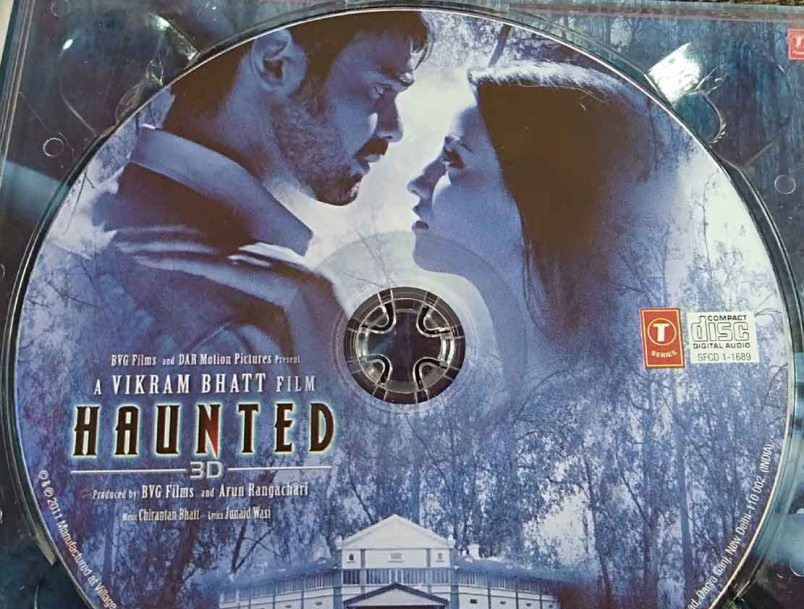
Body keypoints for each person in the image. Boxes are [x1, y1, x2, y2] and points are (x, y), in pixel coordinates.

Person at [84, 11, 432, 357]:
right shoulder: (236, 321)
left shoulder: (99, 225)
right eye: (380, 89)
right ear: (275, 63)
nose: (395, 129)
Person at [408, 62, 655, 389]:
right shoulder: (506, 387)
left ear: (536, 209)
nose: (417, 183)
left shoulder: (577, 397)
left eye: (454, 160)